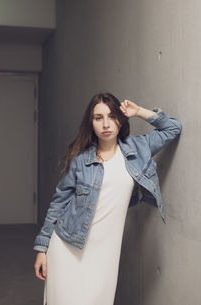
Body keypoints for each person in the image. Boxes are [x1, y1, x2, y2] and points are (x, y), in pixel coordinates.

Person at [33, 92, 182, 305]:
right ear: (90, 123)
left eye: (112, 116)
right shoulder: (81, 160)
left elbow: (173, 128)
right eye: (98, 118)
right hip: (67, 246)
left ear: (121, 120)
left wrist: (138, 111)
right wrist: (42, 249)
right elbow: (58, 203)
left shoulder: (138, 149)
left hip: (105, 254)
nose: (106, 124)